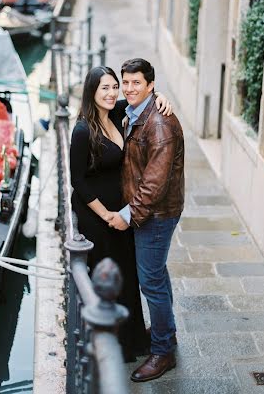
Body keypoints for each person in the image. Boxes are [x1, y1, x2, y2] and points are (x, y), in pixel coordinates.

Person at [69, 65, 172, 363]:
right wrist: (106, 215)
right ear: (92, 91)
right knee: (108, 278)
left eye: (115, 86)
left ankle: (135, 341)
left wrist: (162, 96)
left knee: (127, 276)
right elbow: (78, 182)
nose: (113, 92)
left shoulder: (116, 114)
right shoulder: (82, 131)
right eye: (106, 87)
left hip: (122, 214)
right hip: (98, 217)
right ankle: (111, 348)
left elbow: (144, 98)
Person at [108, 58, 184, 383]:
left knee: (150, 280)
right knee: (156, 275)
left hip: (156, 213)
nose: (129, 89)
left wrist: (129, 215)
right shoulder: (136, 111)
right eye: (125, 82)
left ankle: (163, 351)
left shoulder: (159, 125)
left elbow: (154, 184)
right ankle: (167, 332)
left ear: (150, 85)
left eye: (136, 83)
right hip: (153, 210)